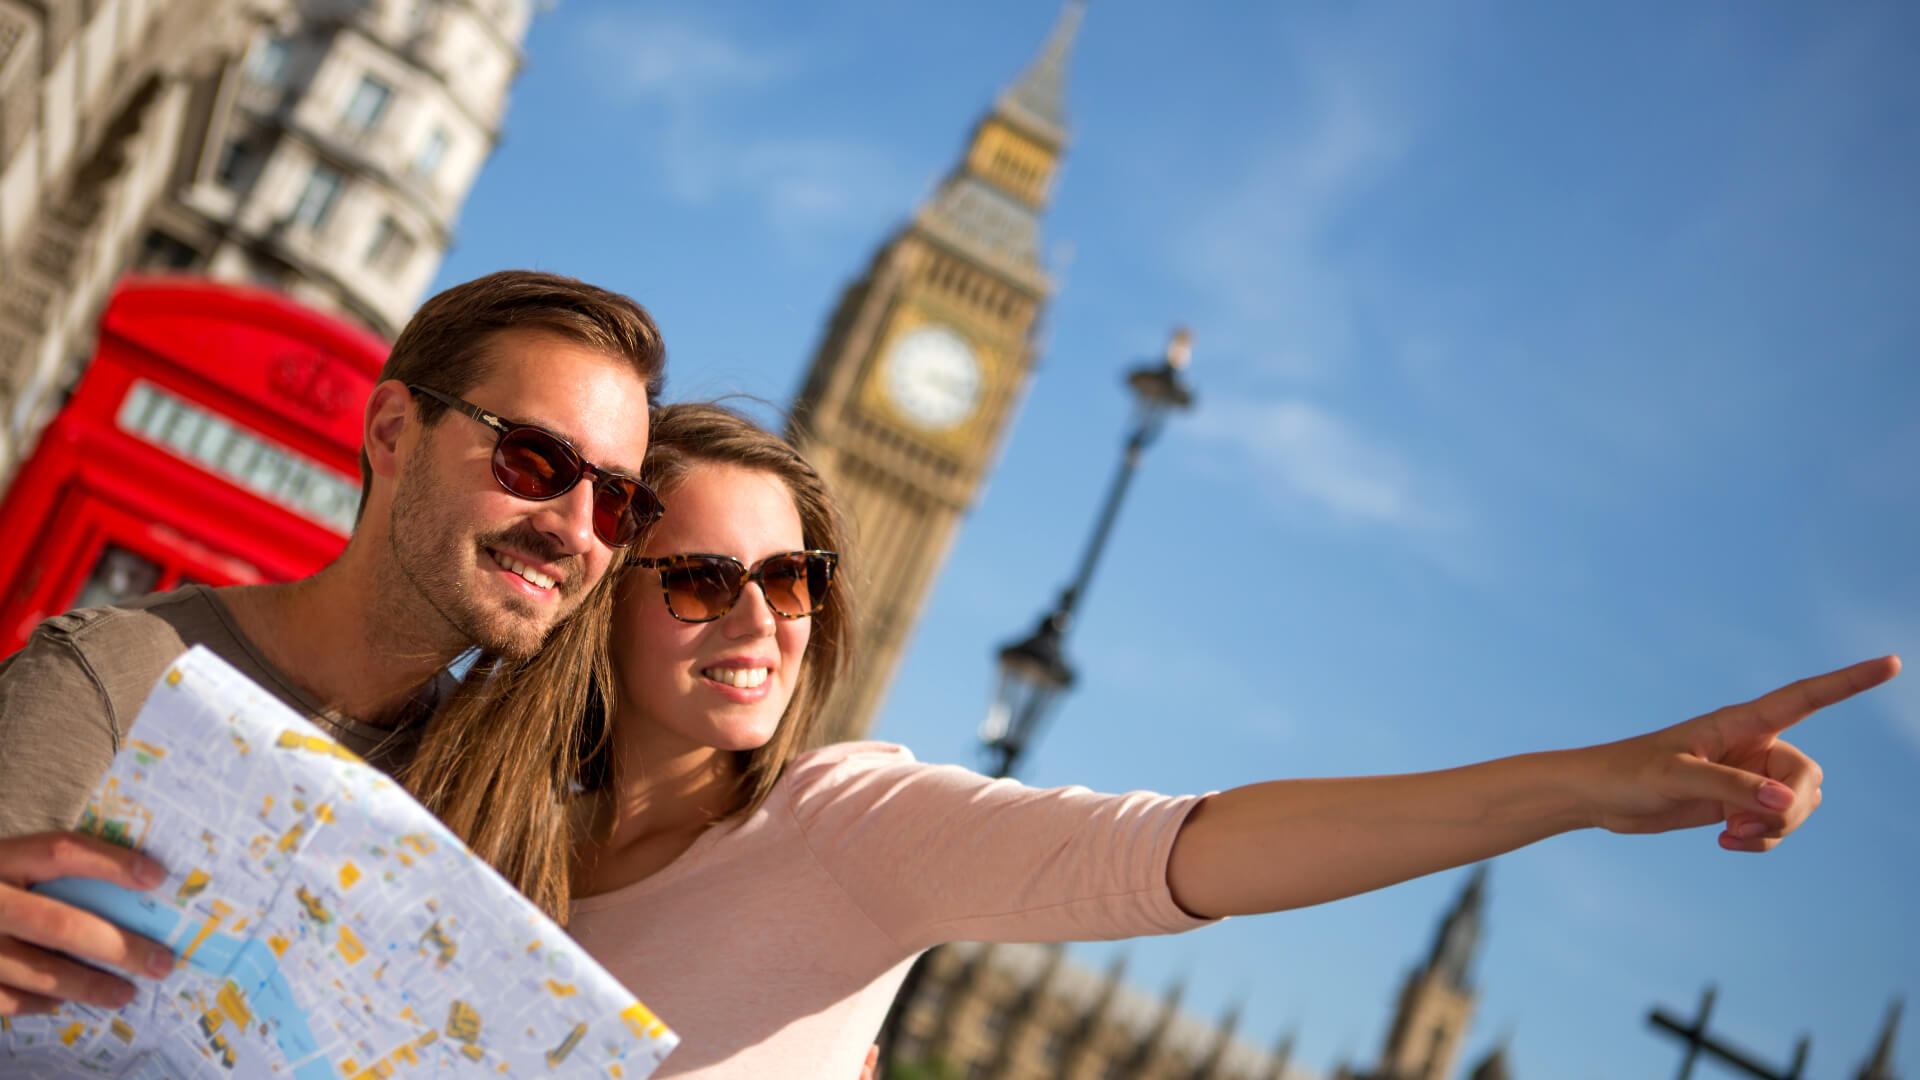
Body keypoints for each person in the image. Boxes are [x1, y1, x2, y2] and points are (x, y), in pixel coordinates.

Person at [449, 401, 1898, 1079]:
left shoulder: (842, 827)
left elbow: (1193, 851)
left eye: (794, 577)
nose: (760, 619)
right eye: (703, 577)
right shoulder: (489, 824)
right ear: (603, 595)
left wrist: (1588, 783)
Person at [0, 270, 668, 1017]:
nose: (576, 528)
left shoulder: (499, 806)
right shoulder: (114, 678)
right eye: (535, 460)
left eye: (616, 501)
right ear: (390, 432)